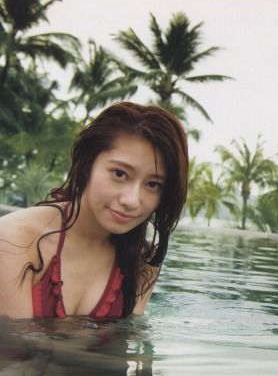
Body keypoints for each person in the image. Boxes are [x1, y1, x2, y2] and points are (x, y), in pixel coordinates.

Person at [0, 102, 188, 319]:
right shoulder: (13, 242)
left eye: (153, 184)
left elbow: (129, 338)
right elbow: (13, 340)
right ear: (87, 163)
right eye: (119, 174)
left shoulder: (142, 262)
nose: (131, 200)